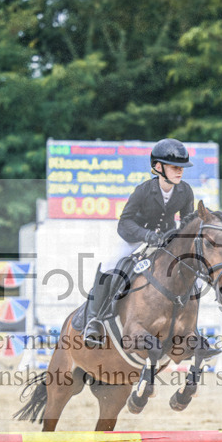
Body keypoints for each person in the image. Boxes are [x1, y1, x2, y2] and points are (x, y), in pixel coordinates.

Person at [80, 138, 195, 347]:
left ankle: (186, 322)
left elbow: (186, 223)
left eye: (182, 168)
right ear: (158, 167)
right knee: (108, 265)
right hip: (134, 238)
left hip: (165, 240)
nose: (180, 171)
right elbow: (124, 222)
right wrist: (146, 235)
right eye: (174, 167)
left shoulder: (185, 191)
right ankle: (93, 320)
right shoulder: (143, 191)